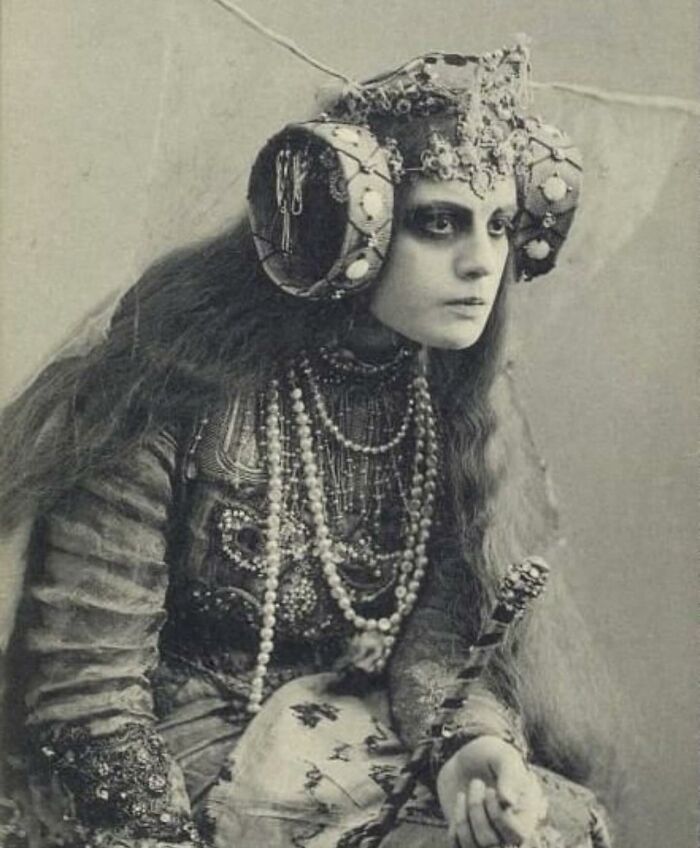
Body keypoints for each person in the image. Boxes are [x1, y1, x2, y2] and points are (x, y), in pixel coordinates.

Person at [0, 43, 622, 848]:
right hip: (166, 746)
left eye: (500, 225)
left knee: (555, 830)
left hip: (346, 715)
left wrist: (468, 748)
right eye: (440, 223)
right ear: (346, 222)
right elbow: (87, 684)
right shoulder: (175, 385)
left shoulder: (454, 410)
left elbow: (439, 639)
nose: (482, 262)